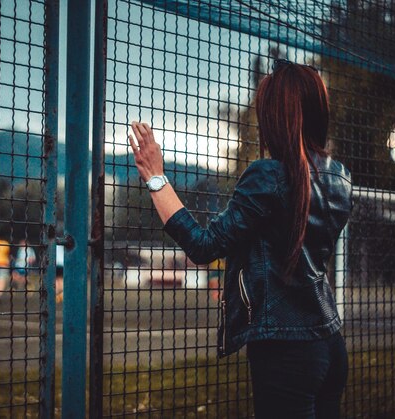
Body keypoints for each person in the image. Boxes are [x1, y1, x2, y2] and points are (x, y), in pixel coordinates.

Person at [128, 59, 353, 418]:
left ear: (275, 117)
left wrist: (156, 177)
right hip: (330, 341)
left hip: (286, 352)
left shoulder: (268, 176)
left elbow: (204, 245)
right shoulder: (340, 178)